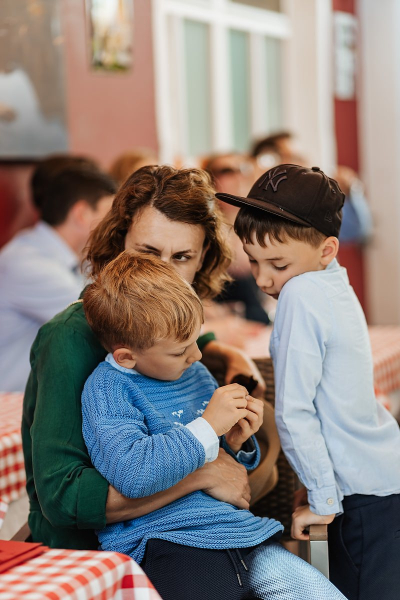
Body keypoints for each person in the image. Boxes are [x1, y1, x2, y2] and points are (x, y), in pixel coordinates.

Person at [22, 165, 266, 553]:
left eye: (182, 256)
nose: (162, 273)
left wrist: (223, 351)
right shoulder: (68, 337)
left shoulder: (177, 336)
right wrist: (200, 475)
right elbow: (63, 498)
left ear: (204, 258)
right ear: (119, 244)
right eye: (147, 252)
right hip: (91, 558)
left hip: (196, 539)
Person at [81, 250, 346, 600]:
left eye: (196, 339)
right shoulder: (108, 389)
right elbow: (133, 474)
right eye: (180, 351)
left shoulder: (193, 372)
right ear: (126, 357)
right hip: (168, 543)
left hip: (243, 535)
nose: (197, 355)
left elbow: (224, 468)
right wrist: (207, 426)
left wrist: (235, 442)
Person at [216, 163, 400, 600]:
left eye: (277, 263)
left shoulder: (301, 294)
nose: (263, 279)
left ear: (327, 248)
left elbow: (297, 411)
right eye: (254, 261)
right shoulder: (333, 281)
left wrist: (320, 499)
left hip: (356, 493)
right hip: (381, 476)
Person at [0, 157, 116, 391]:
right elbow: (109, 323)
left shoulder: (66, 257)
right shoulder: (26, 263)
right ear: (81, 213)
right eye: (109, 213)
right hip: (10, 403)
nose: (114, 225)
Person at [203, 152, 270, 324]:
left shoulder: (258, 227)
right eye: (227, 171)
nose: (239, 176)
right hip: (225, 327)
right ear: (210, 181)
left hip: (260, 322)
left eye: (243, 169)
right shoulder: (204, 230)